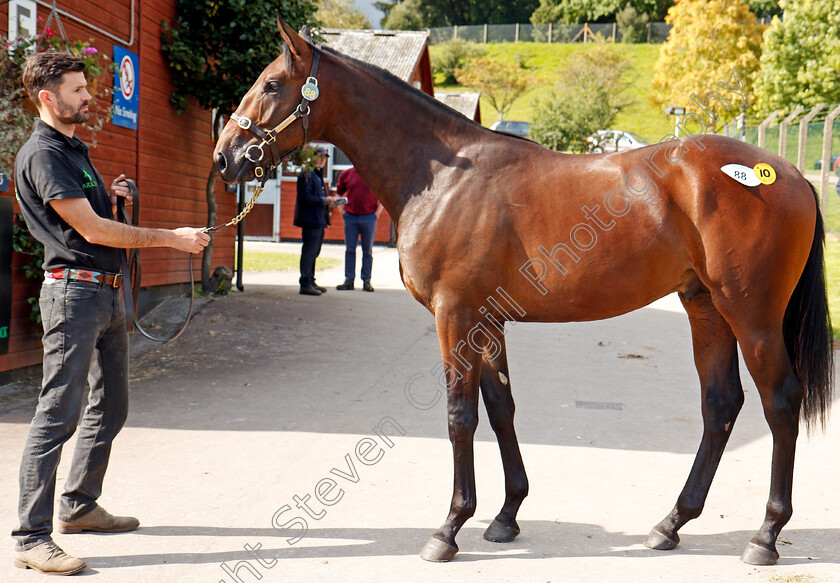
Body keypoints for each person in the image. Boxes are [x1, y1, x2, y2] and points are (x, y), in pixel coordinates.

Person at [12, 52, 209, 575]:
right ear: (47, 98)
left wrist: (119, 199)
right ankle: (30, 536)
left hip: (105, 296)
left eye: (84, 86)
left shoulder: (74, 150)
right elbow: (92, 232)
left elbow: (96, 220)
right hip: (73, 298)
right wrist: (173, 239)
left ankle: (77, 506)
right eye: (76, 89)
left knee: (112, 405)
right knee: (58, 412)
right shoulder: (44, 153)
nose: (87, 96)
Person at [293, 147, 338, 296]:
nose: (322, 160)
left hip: (318, 219)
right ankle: (305, 283)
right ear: (313, 158)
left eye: (324, 158)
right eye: (319, 157)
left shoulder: (317, 176)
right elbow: (305, 198)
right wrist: (324, 200)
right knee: (309, 252)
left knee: (314, 252)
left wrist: (328, 202)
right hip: (310, 220)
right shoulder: (307, 174)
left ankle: (311, 280)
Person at [335, 166, 382, 292]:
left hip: (369, 217)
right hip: (350, 217)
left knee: (367, 251)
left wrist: (376, 215)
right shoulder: (347, 174)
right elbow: (338, 192)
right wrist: (342, 212)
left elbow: (383, 194)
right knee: (350, 250)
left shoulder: (373, 174)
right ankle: (349, 280)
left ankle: (366, 280)